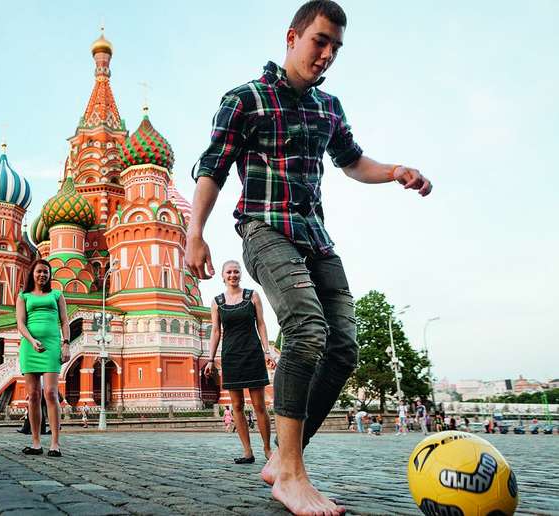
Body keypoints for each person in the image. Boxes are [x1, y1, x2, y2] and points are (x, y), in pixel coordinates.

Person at [184, 1, 433, 511]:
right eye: (320, 41)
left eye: (336, 48)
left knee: (343, 347)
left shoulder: (328, 107)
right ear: (293, 36)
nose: (327, 55)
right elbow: (213, 167)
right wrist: (195, 234)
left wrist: (395, 171)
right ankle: (292, 475)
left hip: (315, 238)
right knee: (305, 327)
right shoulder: (245, 99)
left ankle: (281, 456)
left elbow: (353, 161)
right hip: (263, 229)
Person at [205, 260, 276, 463]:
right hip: (231, 356)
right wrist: (210, 359)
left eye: (236, 271)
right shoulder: (217, 301)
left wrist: (267, 351)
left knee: (259, 405)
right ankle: (247, 452)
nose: (233, 275)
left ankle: (267, 449)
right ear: (223, 275)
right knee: (236, 406)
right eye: (229, 272)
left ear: (240, 274)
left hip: (253, 353)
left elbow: (261, 324)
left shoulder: (252, 295)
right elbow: (216, 331)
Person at [16, 259, 70, 456]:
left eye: (46, 272)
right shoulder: (24, 296)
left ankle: (55, 443)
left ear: (50, 275)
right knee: (33, 395)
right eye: (39, 271)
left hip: (52, 346)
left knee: (51, 393)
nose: (42, 275)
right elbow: (20, 323)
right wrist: (31, 340)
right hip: (30, 347)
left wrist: (66, 344)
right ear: (33, 274)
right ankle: (36, 442)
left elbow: (64, 321)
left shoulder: (57, 295)